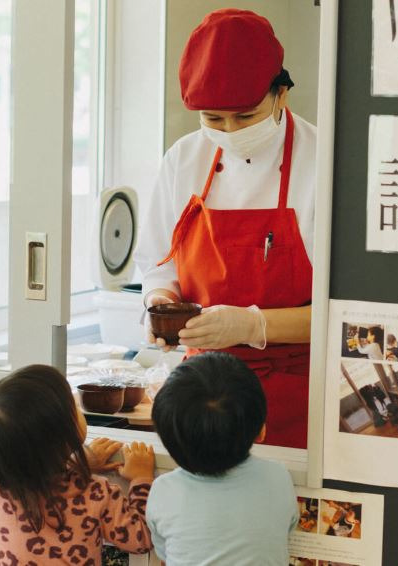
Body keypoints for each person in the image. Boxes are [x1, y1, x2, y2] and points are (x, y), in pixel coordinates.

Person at [134, 8, 317, 449]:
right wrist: (161, 304)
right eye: (214, 119)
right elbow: (159, 268)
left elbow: (350, 315)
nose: (230, 131)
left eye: (246, 116)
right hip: (202, 401)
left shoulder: (324, 162)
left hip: (298, 399)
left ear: (282, 95)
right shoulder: (184, 159)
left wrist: (252, 326)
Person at [0, 365, 155, 564]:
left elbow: (36, 474)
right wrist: (141, 480)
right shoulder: (94, 492)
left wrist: (77, 464)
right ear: (62, 434)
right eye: (73, 406)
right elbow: (141, 539)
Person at [146, 352, 298, 565]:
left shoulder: (163, 490)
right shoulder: (278, 478)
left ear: (170, 445)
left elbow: (164, 552)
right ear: (261, 431)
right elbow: (288, 526)